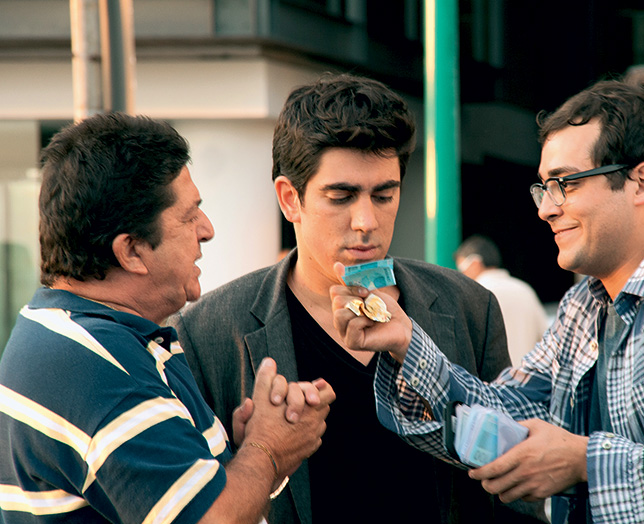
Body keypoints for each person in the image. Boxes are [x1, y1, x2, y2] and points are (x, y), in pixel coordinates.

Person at [330, 74, 644, 523]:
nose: (547, 208)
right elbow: (505, 417)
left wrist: (585, 463)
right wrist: (406, 342)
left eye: (566, 184)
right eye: (543, 187)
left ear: (643, 182)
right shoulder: (587, 303)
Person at [167, 73, 541, 524]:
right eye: (341, 196)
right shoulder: (210, 330)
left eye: (384, 195)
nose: (366, 220)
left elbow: (514, 486)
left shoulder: (467, 306)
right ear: (290, 200)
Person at [0, 113, 334, 523]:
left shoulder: (76, 337)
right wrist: (267, 450)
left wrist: (246, 456)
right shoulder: (101, 370)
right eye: (189, 215)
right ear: (132, 251)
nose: (207, 230)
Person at [455, 235, 549, 366]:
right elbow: (546, 338)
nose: (461, 275)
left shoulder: (474, 293)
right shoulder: (525, 290)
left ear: (475, 263)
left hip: (491, 383)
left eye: (461, 269)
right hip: (528, 379)